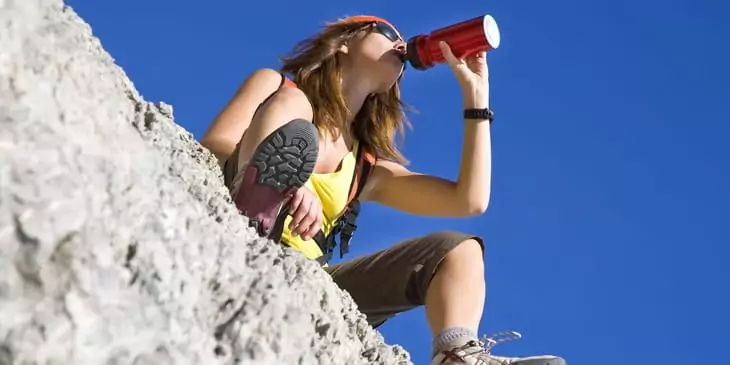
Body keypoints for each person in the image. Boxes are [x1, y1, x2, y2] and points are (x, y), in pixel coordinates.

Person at [201, 15, 566, 365]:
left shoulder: (365, 167)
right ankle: (260, 200)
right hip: (237, 222)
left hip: (304, 277)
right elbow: (215, 145)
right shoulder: (278, 88)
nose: (400, 43)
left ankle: (457, 357)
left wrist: (477, 99)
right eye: (386, 31)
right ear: (344, 43)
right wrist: (289, 187)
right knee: (295, 110)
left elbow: (469, 201)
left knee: (461, 249)